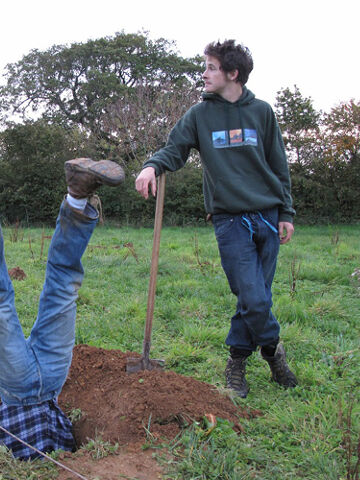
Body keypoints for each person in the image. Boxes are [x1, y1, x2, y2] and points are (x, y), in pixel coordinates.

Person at [135, 39, 298, 399]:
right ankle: (272, 352)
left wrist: (285, 212)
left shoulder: (262, 112)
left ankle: (237, 361)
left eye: (211, 67)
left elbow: (279, 164)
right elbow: (174, 149)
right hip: (229, 220)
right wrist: (151, 165)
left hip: (268, 217)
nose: (204, 74)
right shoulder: (199, 115)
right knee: (254, 299)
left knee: (256, 297)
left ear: (232, 73)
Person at [0, 158, 124, 459]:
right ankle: (77, 195)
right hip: (53, 376)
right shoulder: (53, 433)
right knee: (60, 289)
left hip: (17, 386)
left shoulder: (1, 436)